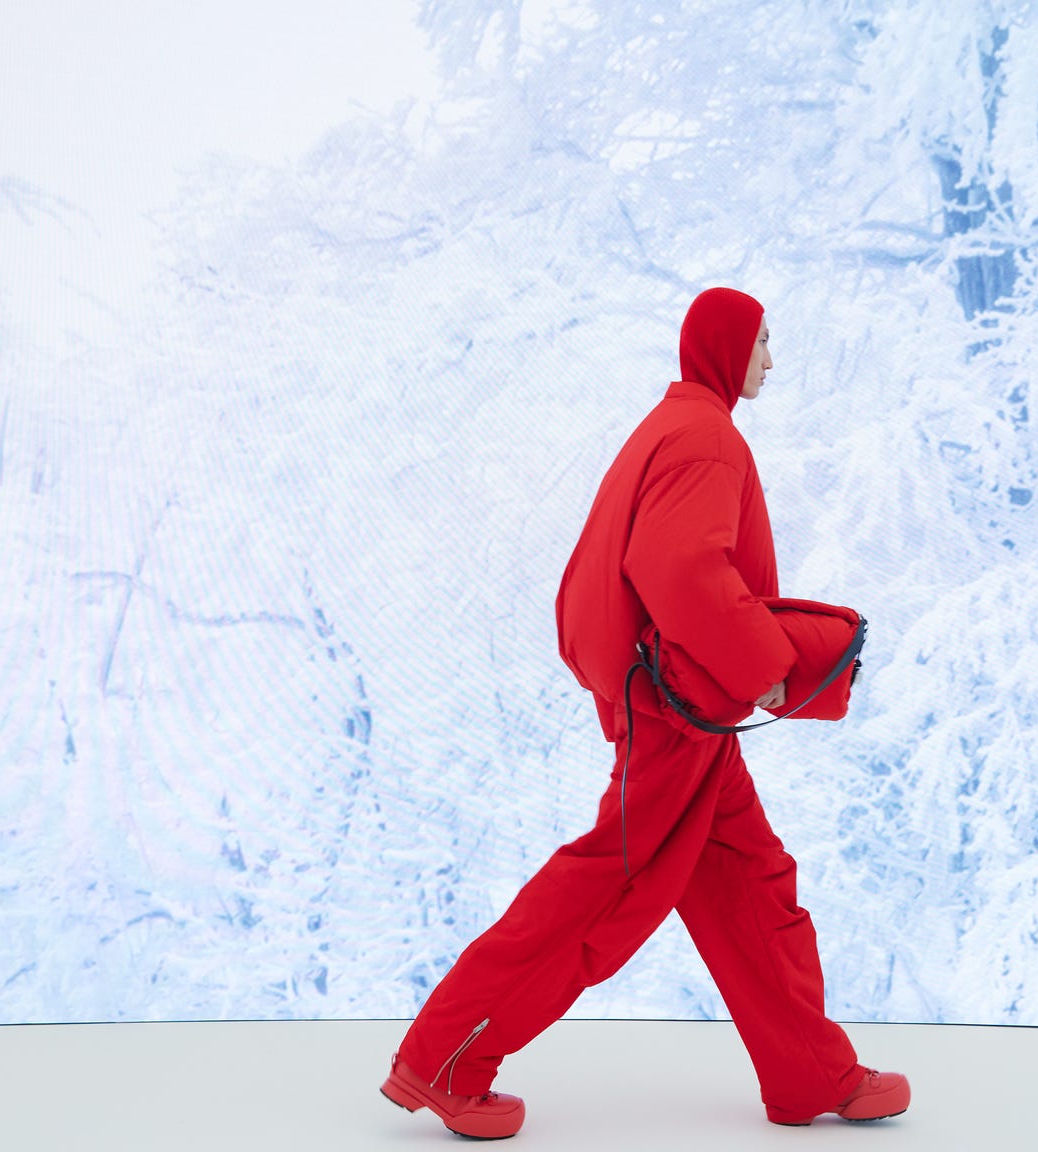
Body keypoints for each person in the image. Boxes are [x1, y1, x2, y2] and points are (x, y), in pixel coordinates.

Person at [379, 287, 910, 1139]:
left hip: (674, 709)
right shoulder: (708, 439)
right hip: (675, 716)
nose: (772, 361)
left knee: (752, 886)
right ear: (727, 348)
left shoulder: (676, 426)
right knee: (598, 894)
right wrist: (765, 666)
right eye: (764, 343)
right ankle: (445, 1059)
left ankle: (810, 1073)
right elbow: (677, 568)